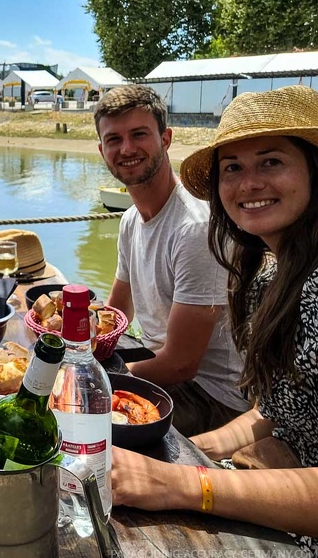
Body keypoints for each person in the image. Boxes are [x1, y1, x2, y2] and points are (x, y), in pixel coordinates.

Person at [113, 84, 318, 554]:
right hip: (280, 466)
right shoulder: (269, 279)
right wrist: (196, 453)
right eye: (234, 168)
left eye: (271, 162)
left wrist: (185, 484)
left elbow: (181, 365)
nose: (249, 183)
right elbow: (274, 411)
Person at [94, 84, 248, 436]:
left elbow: (182, 365)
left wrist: (97, 378)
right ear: (102, 150)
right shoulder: (131, 220)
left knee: (83, 422)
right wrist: (76, 343)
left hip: (212, 396)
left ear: (165, 139)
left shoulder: (195, 228)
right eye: (114, 140)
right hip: (156, 365)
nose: (127, 148)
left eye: (139, 135)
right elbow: (116, 315)